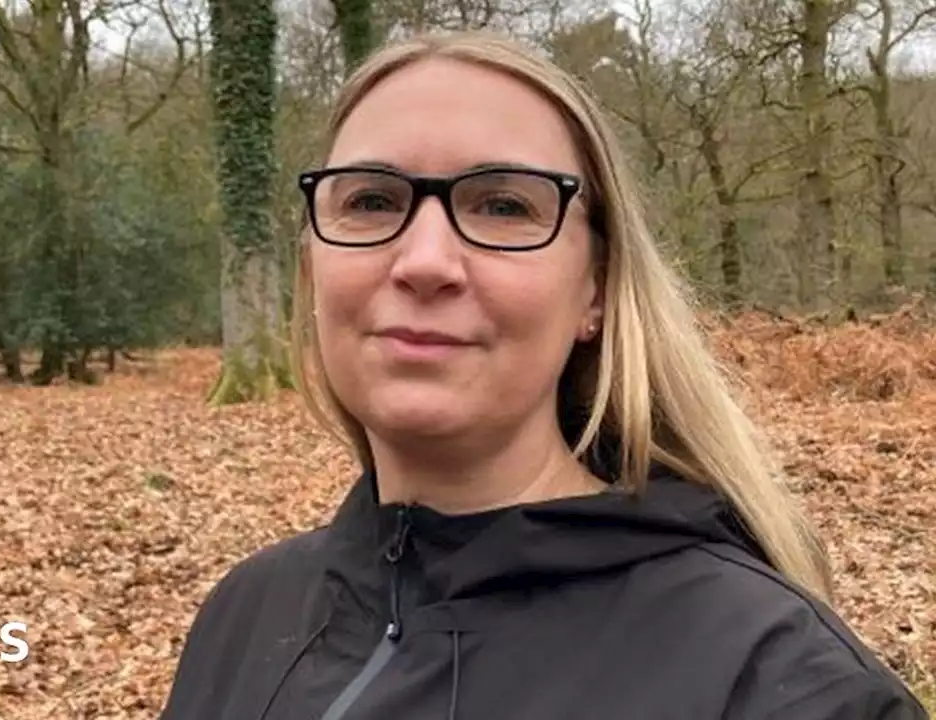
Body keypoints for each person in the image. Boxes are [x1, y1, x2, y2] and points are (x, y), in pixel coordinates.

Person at [158, 30, 929, 720]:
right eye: (370, 199)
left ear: (594, 289)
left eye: (501, 205)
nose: (424, 261)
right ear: (313, 268)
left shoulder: (778, 680)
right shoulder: (246, 616)